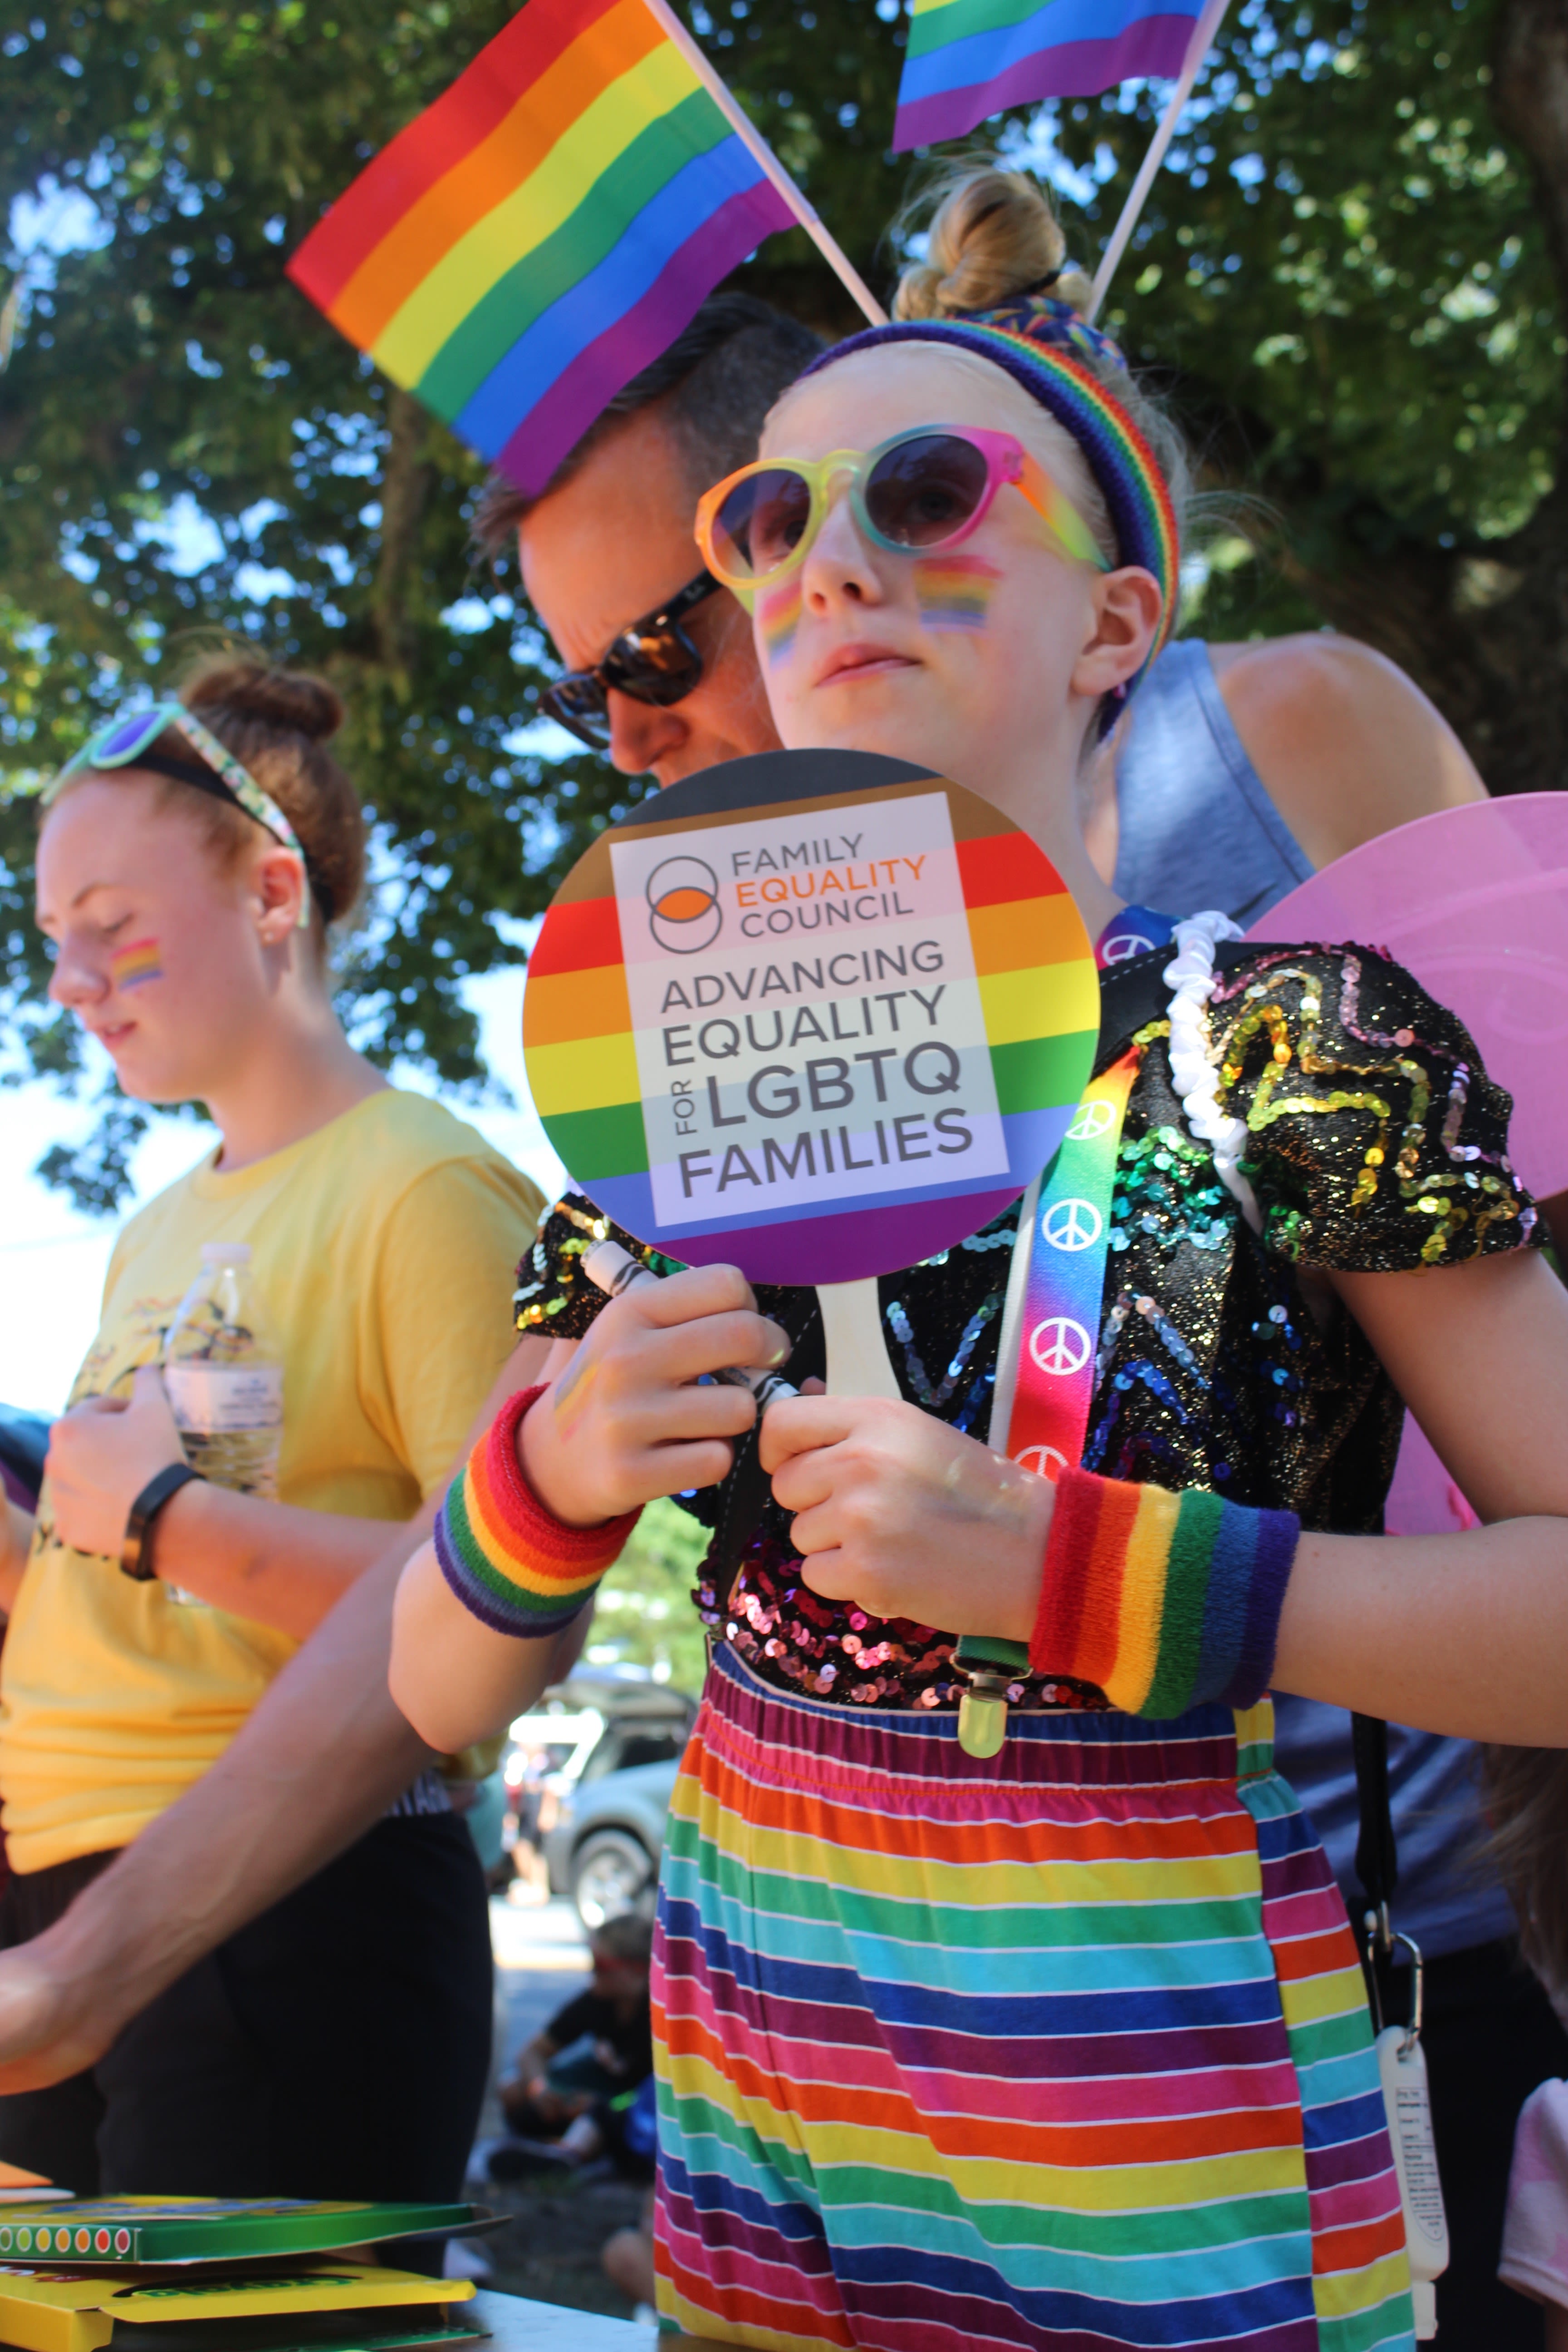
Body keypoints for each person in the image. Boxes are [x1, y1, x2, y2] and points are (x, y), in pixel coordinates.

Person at [392, 222, 1568, 2346]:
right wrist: (548, 1469)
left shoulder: (1277, 1048)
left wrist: (1085, 1571)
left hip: (1161, 2142)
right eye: (769, 518)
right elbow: (442, 1697)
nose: (823, 563)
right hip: (762, 2128)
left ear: (1120, 616)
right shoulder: (669, 1084)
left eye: (923, 496)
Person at [0, 655, 545, 2200]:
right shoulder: (156, 1222)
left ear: (269, 892)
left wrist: (169, 1515)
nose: (68, 982)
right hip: (60, 1888)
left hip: (286, 1909)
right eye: (52, 941)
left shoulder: (423, 1188)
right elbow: (116, 1577)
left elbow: (510, 1609)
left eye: (110, 928)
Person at [494, 1913, 654, 2172]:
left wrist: (597, 2102)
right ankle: (554, 2146)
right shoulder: (595, 2002)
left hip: (637, 2102)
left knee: (610, 2113)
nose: (592, 1973)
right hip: (602, 2089)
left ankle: (567, 2155)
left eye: (600, 1965)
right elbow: (532, 2053)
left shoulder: (663, 2015)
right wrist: (541, 2089)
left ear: (638, 1970)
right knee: (512, 2090)